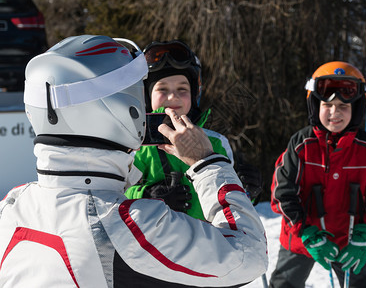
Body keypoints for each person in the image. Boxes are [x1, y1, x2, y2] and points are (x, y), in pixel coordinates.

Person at [0, 35, 268, 287]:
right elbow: (249, 255)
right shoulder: (128, 225)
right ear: (124, 110)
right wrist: (209, 164)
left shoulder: (11, 208)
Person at [269, 61, 366, 288]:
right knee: (284, 285)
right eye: (328, 105)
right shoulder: (301, 146)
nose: (335, 113)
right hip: (303, 238)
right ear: (315, 105)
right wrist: (305, 232)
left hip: (349, 242)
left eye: (343, 106)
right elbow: (282, 193)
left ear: (356, 108)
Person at [125, 40, 263, 220]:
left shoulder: (215, 142)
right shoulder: (136, 146)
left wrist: (249, 190)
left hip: (208, 241)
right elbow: (119, 196)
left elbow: (231, 201)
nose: (173, 96)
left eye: (182, 89)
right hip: (154, 243)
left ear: (194, 94)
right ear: (146, 96)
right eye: (162, 89)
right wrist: (149, 195)